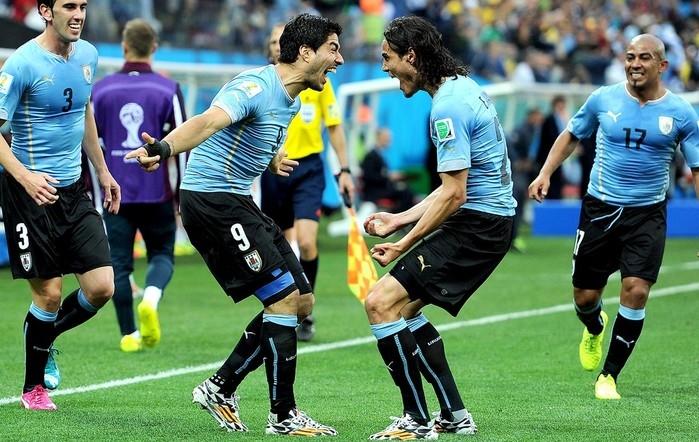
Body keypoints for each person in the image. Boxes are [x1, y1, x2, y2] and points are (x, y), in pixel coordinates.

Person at [126, 13, 343, 436]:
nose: (338, 59)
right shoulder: (255, 87)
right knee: (281, 299)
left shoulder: (292, 100)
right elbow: (208, 123)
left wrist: (274, 158)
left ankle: (220, 388)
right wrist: (166, 147)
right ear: (305, 52)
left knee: (301, 301)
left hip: (235, 200)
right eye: (332, 49)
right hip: (212, 201)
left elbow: (255, 138)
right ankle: (282, 416)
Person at [362, 16, 515, 440]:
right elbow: (452, 187)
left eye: (388, 58)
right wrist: (400, 218)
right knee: (403, 313)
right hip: (489, 221)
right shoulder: (463, 88)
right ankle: (453, 414)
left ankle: (415, 420)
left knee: (379, 303)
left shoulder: (447, 107)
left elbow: (454, 195)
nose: (385, 68)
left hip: (478, 225)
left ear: (412, 56)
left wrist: (401, 243)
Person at [529, 34, 699, 400]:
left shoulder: (682, 113)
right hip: (600, 209)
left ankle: (609, 375)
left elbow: (697, 168)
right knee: (585, 297)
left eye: (645, 58)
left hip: (647, 214)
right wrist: (545, 173)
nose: (635, 64)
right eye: (630, 57)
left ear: (662, 66)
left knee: (636, 290)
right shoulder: (603, 99)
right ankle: (593, 326)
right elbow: (572, 135)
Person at [0, 0, 120, 410]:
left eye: (83, 6)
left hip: (73, 190)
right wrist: (25, 177)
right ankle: (33, 388)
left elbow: (83, 110)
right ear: (45, 11)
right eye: (69, 6)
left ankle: (45, 338)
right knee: (49, 295)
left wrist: (102, 171)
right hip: (29, 194)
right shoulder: (21, 65)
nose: (79, 14)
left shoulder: (88, 54)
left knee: (102, 287)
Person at [91, 18, 186, 353]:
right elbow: (182, 142)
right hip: (157, 192)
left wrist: (95, 191)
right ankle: (151, 297)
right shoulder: (168, 89)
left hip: (113, 192)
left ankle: (128, 334)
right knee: (162, 254)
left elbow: (90, 145)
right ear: (155, 48)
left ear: (123, 46)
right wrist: (182, 196)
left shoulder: (100, 90)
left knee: (118, 263)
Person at [260, 22, 354, 342]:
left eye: (280, 40)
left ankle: (306, 307)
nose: (276, 45)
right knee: (281, 245)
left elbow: (335, 127)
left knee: (308, 241)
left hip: (308, 168)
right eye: (273, 40)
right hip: (273, 170)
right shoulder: (264, 84)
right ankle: (281, 306)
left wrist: (344, 170)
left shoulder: (318, 82)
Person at [507, 108, 543, 252]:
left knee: (520, 204)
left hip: (525, 173)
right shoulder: (520, 130)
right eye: (538, 116)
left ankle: (514, 238)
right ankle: (510, 239)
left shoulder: (534, 130)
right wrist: (517, 162)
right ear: (531, 116)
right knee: (515, 204)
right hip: (516, 173)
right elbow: (511, 148)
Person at [360, 127, 414, 213]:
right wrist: (388, 176)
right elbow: (369, 176)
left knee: (405, 189)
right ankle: (397, 219)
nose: (389, 141)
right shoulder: (371, 156)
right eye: (386, 138)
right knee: (406, 193)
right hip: (375, 192)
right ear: (379, 137)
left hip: (381, 188)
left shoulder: (379, 155)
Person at [535, 95, 569, 199]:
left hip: (558, 157)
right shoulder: (549, 119)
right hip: (548, 157)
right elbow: (548, 139)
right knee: (550, 182)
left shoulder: (562, 120)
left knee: (557, 183)